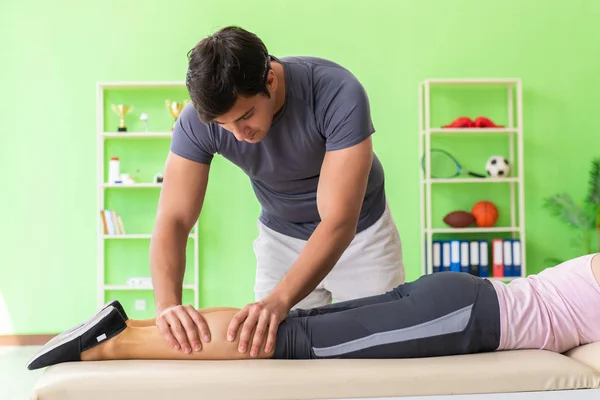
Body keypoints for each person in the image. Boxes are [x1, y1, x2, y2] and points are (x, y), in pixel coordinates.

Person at [150, 25, 404, 358]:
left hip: (361, 237)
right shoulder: (199, 122)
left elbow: (339, 221)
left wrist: (279, 300)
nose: (238, 135)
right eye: (223, 126)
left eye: (245, 116)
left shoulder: (336, 91)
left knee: (383, 353)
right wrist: (168, 306)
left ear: (270, 80)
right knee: (272, 353)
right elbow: (174, 218)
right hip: (281, 239)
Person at [27, 253, 600, 370]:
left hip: (460, 297)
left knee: (292, 327)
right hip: (470, 316)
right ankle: (111, 343)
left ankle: (133, 328)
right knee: (289, 342)